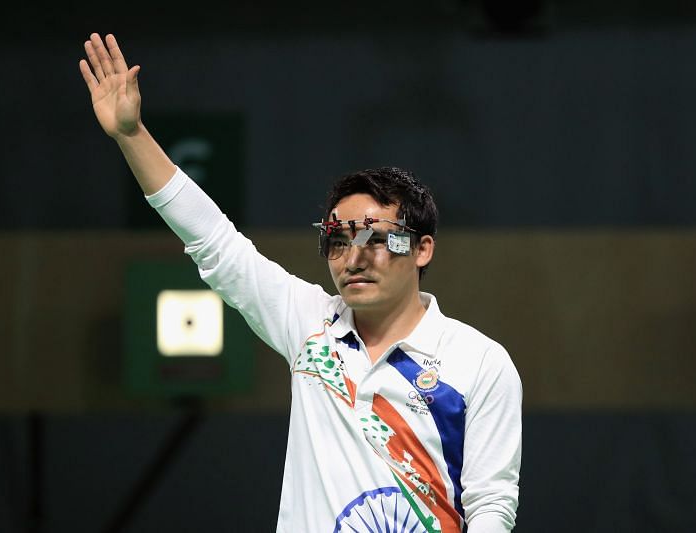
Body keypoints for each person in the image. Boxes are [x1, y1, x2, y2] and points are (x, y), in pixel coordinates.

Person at [79, 33, 522, 532]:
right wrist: (131, 135)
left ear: (422, 248)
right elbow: (215, 242)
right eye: (337, 240)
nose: (353, 257)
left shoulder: (480, 363)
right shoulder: (311, 326)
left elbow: (491, 506)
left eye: (375, 238)